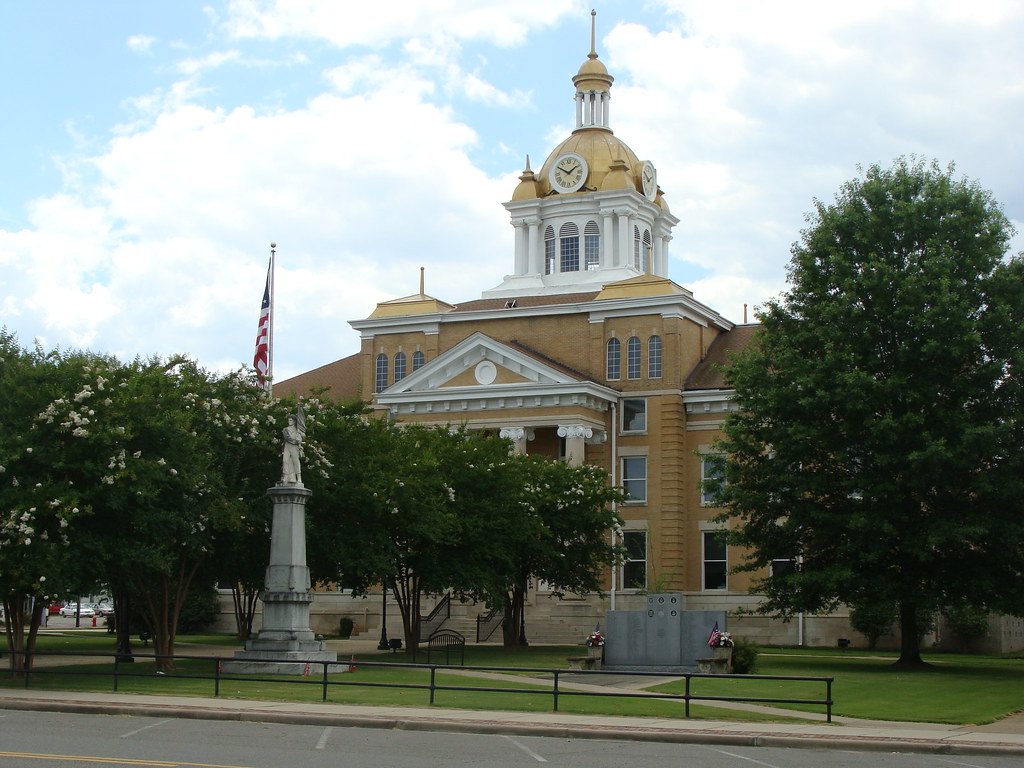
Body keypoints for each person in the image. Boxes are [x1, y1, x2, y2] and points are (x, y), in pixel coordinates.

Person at [281, 406, 305, 484]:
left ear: (294, 421)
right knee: (285, 461)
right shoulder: (285, 429)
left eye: (291, 420)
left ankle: (299, 477)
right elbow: (287, 438)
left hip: (295, 448)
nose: (289, 421)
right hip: (287, 447)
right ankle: (285, 477)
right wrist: (295, 441)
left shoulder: (298, 430)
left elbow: (302, 437)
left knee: (296, 462)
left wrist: (300, 437)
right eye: (288, 420)